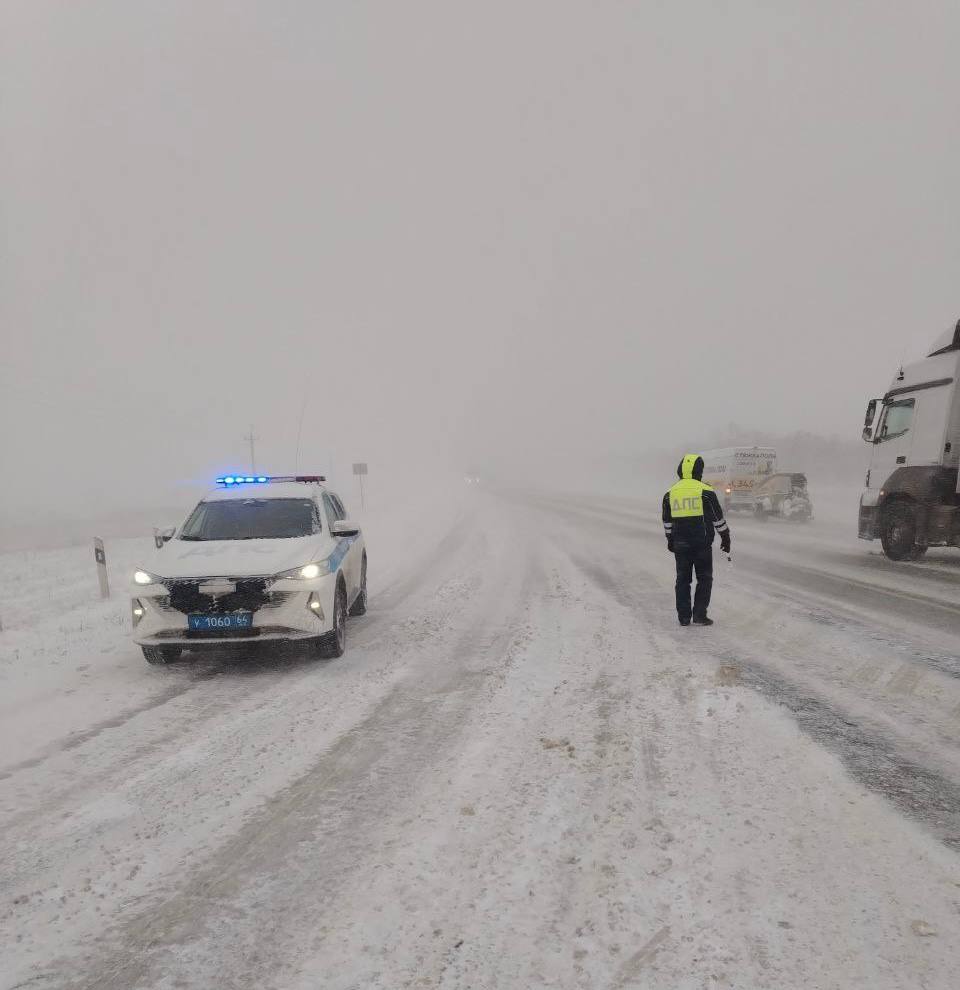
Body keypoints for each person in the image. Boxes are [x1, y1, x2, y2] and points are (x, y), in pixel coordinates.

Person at [662, 453, 731, 626]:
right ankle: (700, 615)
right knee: (704, 578)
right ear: (699, 471)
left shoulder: (670, 493)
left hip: (681, 544)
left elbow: (667, 521)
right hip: (702, 543)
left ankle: (684, 617)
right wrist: (725, 536)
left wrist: (670, 539)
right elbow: (717, 518)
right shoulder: (706, 492)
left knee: (682, 580)